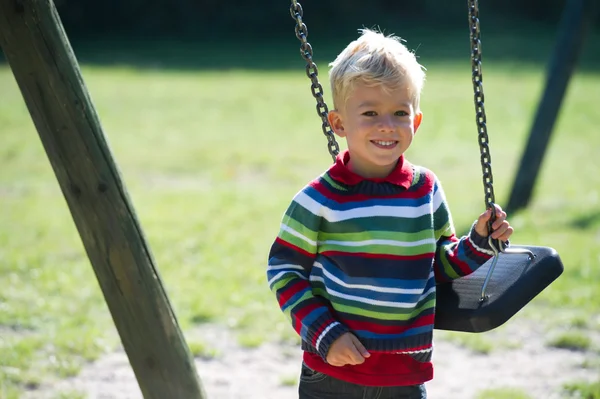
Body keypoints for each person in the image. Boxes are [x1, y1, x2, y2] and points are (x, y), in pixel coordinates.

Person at [266, 28, 513, 399]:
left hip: (404, 372)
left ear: (415, 122)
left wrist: (479, 243)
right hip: (332, 372)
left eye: (400, 112)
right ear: (338, 124)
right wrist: (324, 333)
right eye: (370, 113)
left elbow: (438, 267)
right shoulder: (319, 199)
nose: (387, 124)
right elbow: (284, 271)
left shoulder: (425, 190)